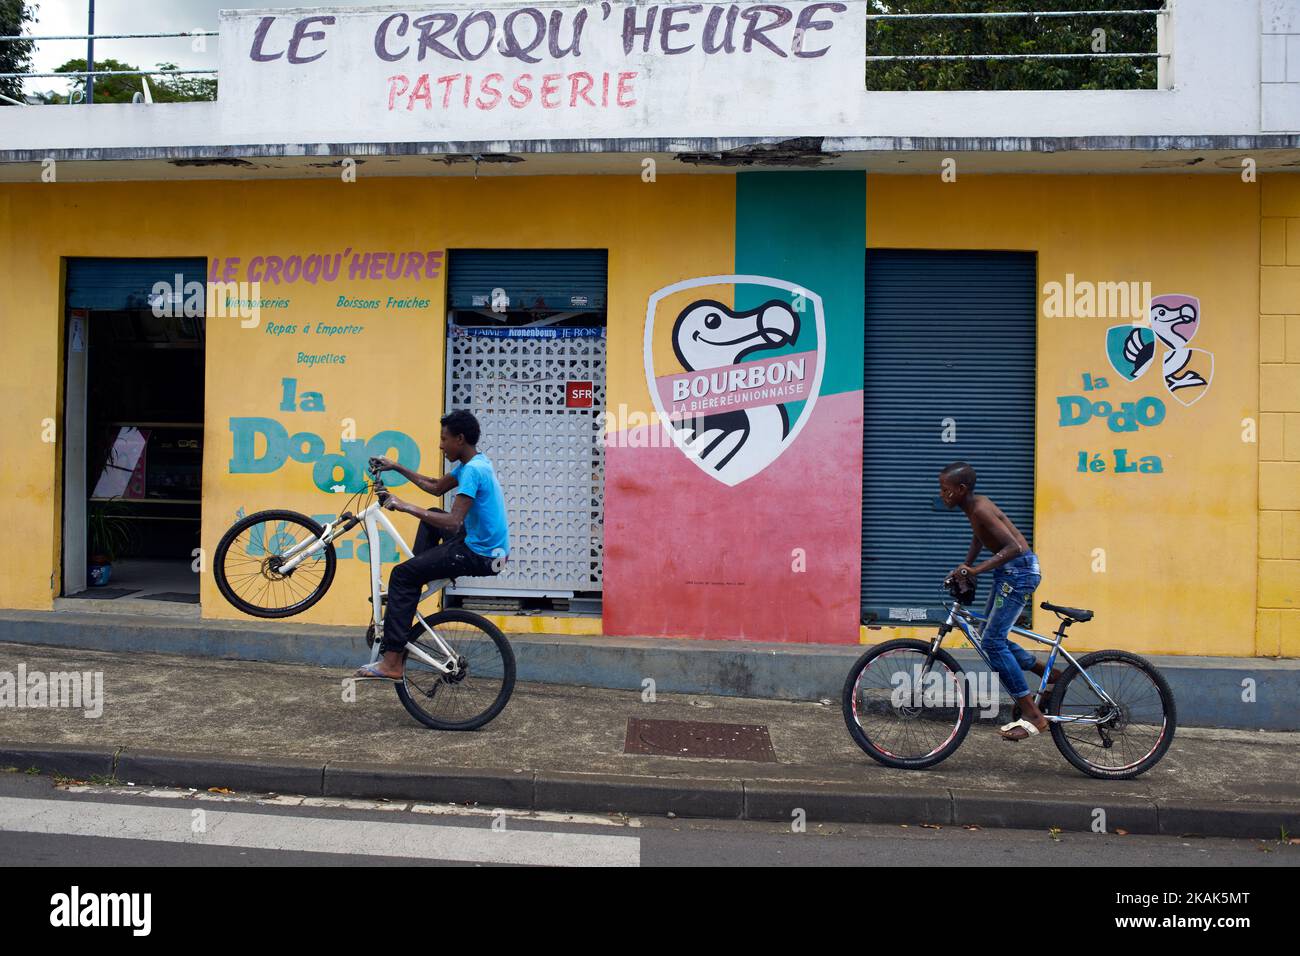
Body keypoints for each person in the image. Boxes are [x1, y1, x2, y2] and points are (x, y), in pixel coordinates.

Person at [353, 409, 509, 681]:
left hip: (479, 554)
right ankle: (416, 583)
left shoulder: (472, 471)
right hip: (485, 547)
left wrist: (403, 506)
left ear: (459, 439)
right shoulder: (475, 463)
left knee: (402, 575)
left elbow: (451, 522)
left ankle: (391, 664)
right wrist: (396, 467)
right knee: (430, 514)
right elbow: (436, 486)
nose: (440, 445)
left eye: (444, 438)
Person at [938, 461, 1060, 742]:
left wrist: (978, 570)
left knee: (992, 642)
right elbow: (980, 538)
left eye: (946, 490)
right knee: (988, 636)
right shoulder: (974, 507)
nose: (943, 495)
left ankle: (1032, 714)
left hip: (1019, 573)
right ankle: (1049, 674)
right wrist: (964, 565)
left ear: (961, 489)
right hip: (1010, 573)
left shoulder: (980, 507)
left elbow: (1014, 547)